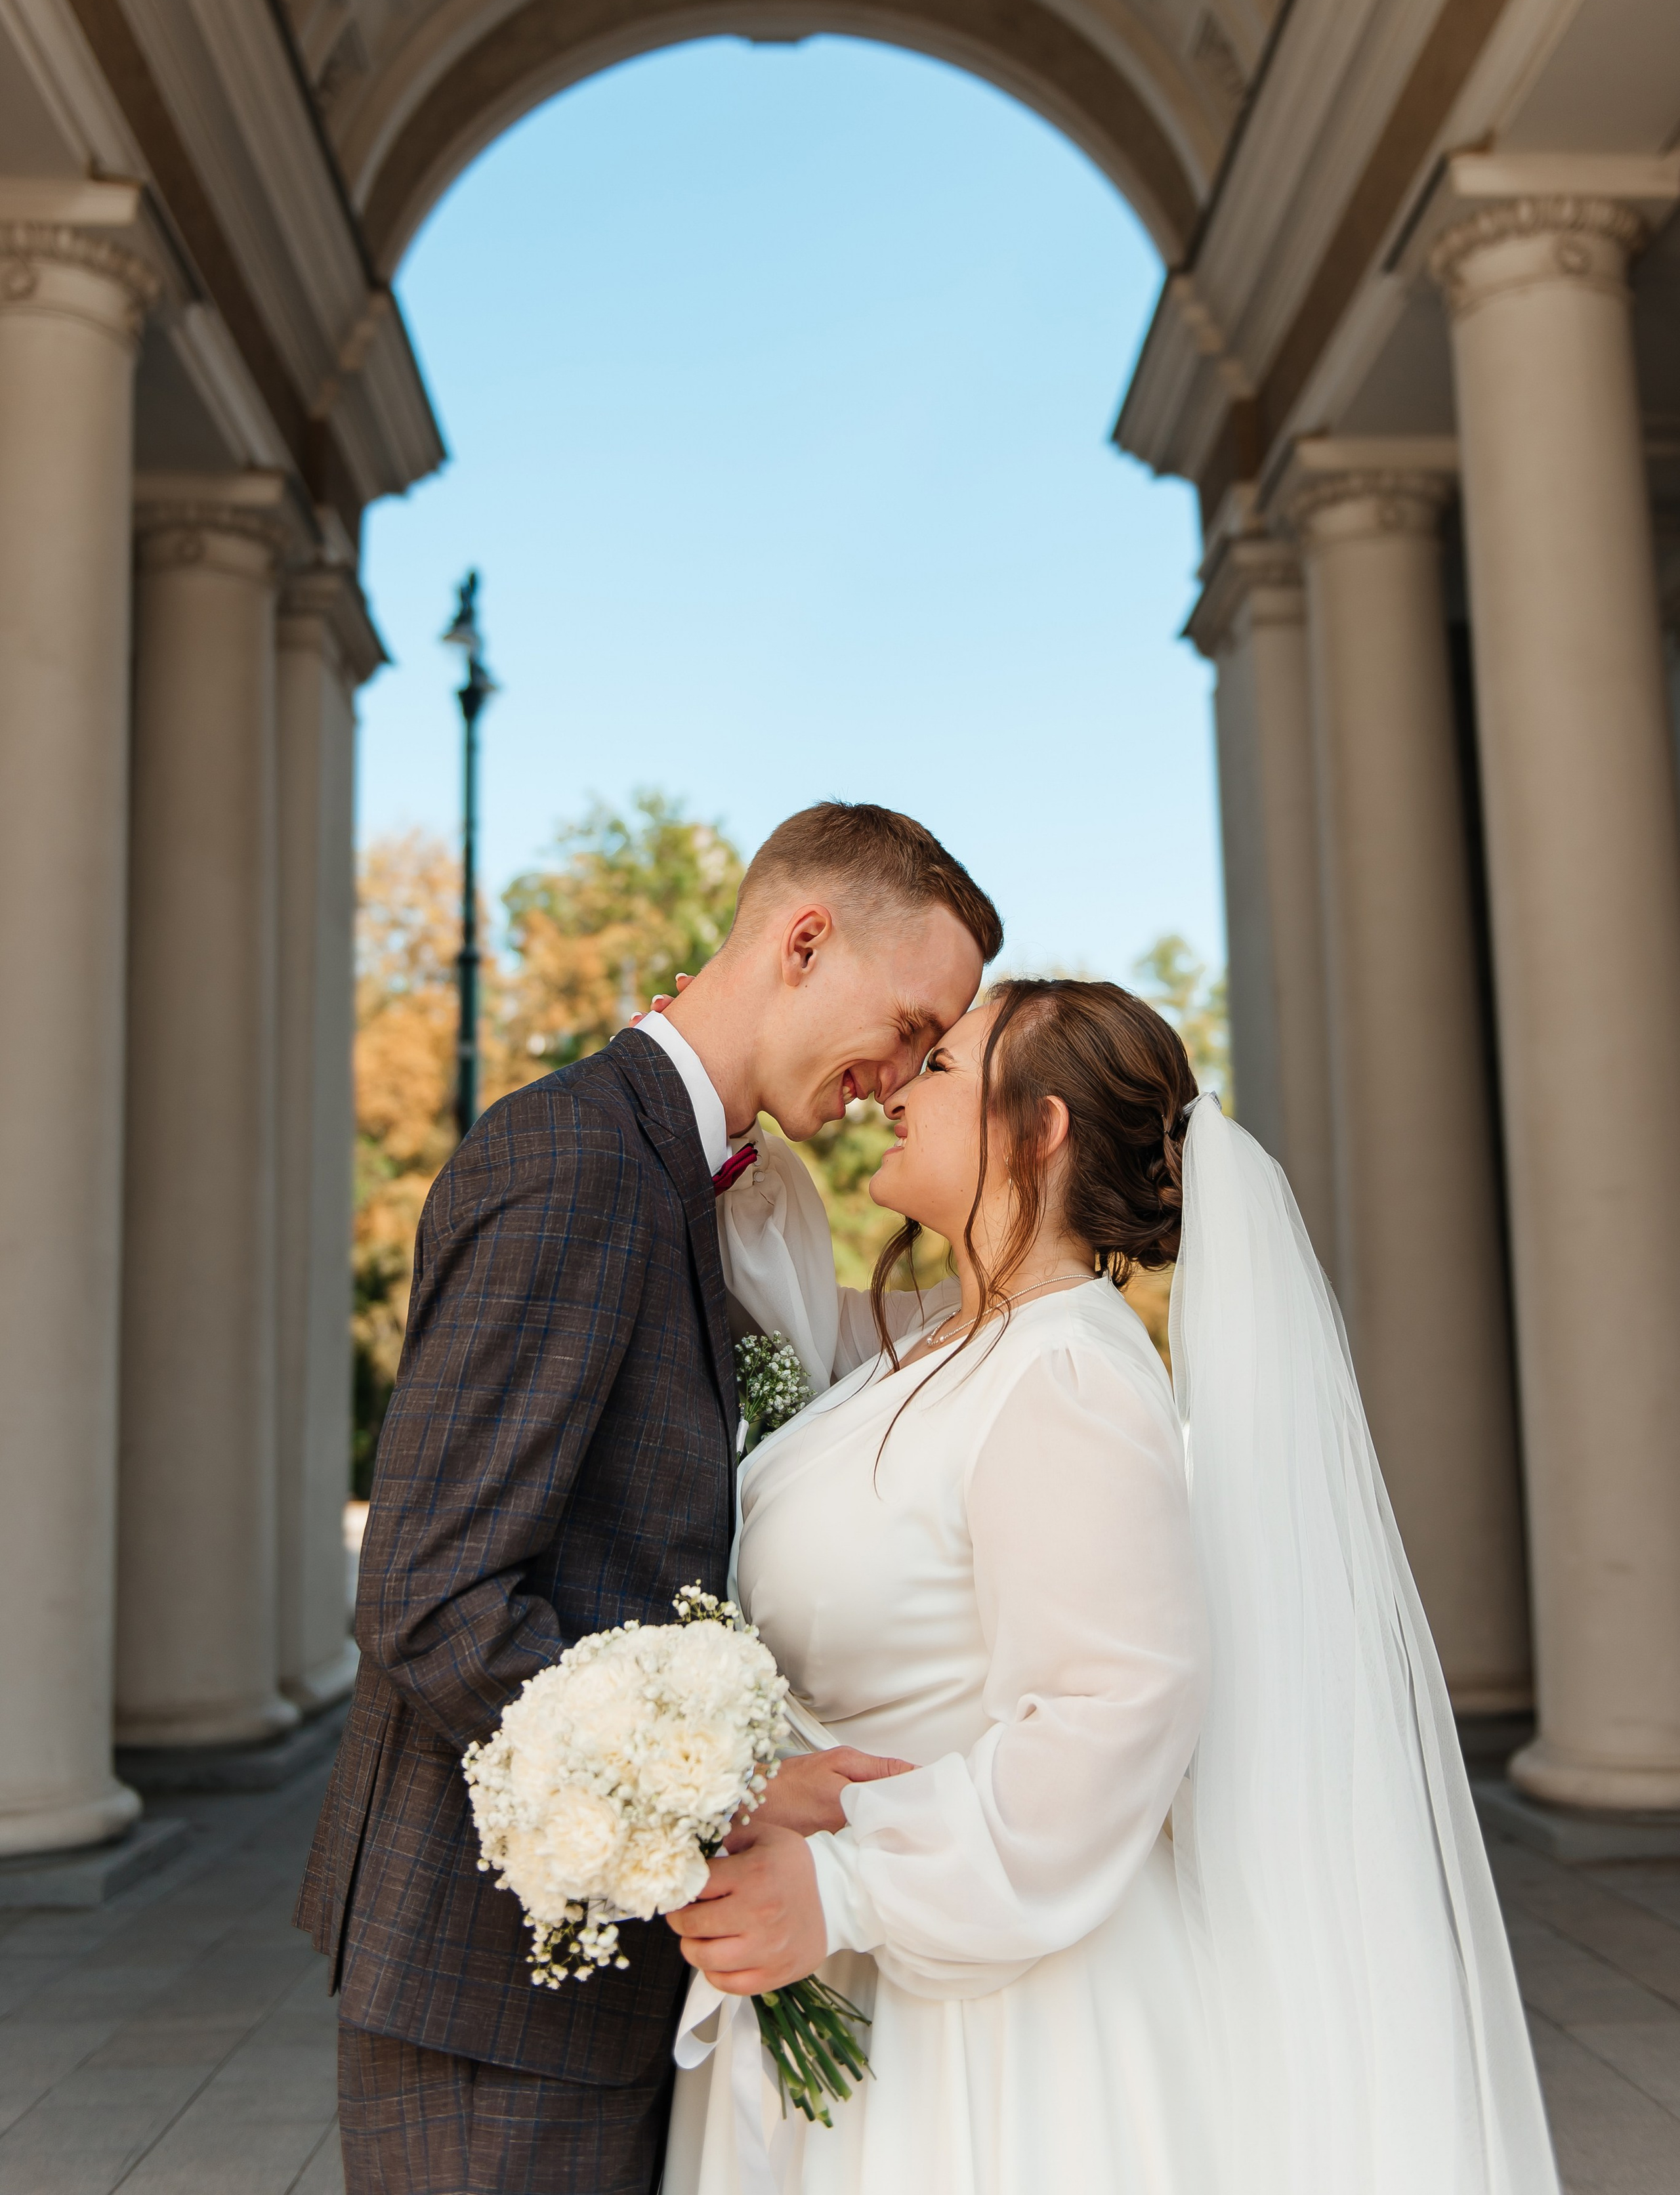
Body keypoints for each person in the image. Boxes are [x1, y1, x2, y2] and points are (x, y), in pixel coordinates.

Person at [663, 979, 1561, 2195]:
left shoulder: (1067, 1378)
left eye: (941, 1068)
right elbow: (779, 1310)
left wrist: (848, 1887)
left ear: (1040, 1131)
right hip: (869, 1962)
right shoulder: (938, 1343)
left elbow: (1112, 1714)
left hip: (994, 2027)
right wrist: (721, 1079)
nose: (896, 1090)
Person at [296, 801, 1002, 2195]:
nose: (904, 1074)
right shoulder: (575, 1161)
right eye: (912, 1023)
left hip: (607, 1975)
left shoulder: (726, 1187)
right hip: (492, 1983)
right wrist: (738, 1787)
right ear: (805, 941)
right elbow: (433, 1596)